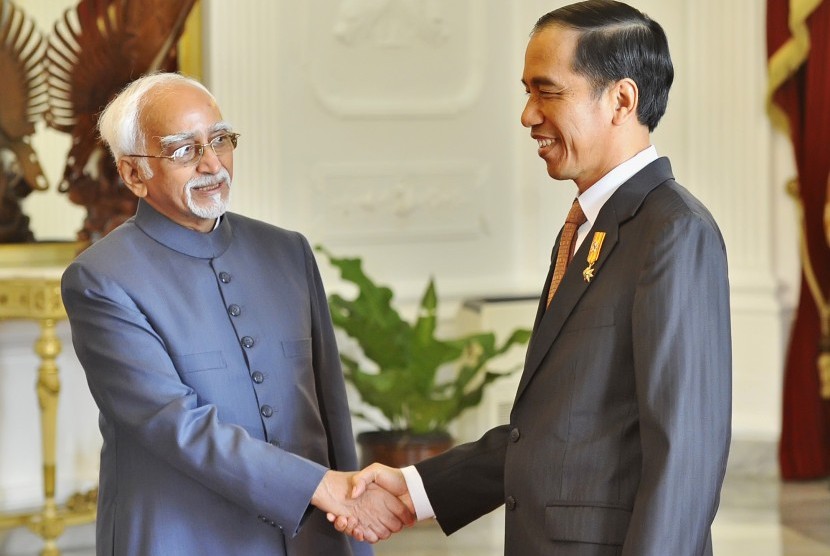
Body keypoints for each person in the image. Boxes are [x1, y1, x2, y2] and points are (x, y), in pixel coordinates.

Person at [335, 1, 732, 554]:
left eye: (547, 92)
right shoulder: (586, 228)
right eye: (527, 92)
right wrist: (413, 490)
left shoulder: (673, 231)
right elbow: (552, 430)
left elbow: (685, 455)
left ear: (621, 99)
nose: (527, 115)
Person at [61, 72, 412, 555]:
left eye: (220, 140)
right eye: (184, 149)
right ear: (133, 174)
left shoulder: (287, 251)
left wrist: (352, 531)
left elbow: (329, 406)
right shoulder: (101, 278)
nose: (212, 163)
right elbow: (173, 423)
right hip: (180, 536)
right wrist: (319, 486)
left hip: (312, 534)